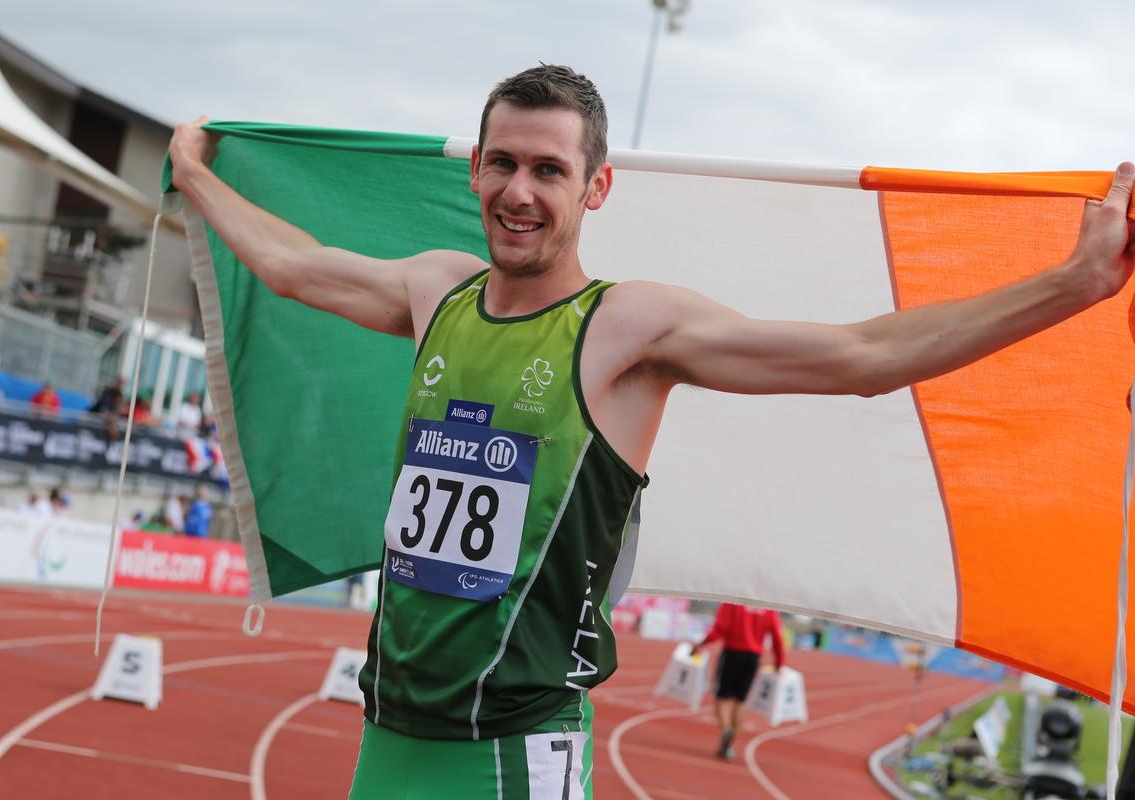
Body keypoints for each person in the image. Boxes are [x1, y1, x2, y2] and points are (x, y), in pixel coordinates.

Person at [169, 64, 1133, 798]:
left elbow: (860, 357)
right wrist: (191, 175)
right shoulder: (436, 290)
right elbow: (292, 266)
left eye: (550, 170)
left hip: (514, 740)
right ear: (473, 170)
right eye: (502, 162)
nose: (519, 191)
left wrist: (1074, 283)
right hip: (392, 723)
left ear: (597, 189)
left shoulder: (627, 328)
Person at [691, 603, 785, 760]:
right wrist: (779, 663)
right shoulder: (768, 607)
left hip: (732, 653)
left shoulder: (734, 601)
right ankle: (728, 746)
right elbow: (776, 635)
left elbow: (721, 627)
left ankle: (726, 729)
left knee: (723, 696)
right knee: (740, 701)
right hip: (753, 658)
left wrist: (702, 644)